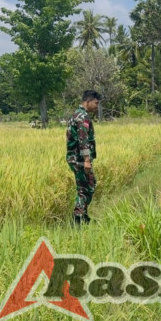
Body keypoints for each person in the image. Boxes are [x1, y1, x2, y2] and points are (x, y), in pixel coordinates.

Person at [66, 90, 102, 224]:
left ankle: (83, 215)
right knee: (87, 187)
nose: (96, 106)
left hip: (74, 158)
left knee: (87, 185)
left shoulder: (76, 114)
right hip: (79, 160)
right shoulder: (83, 117)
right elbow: (83, 139)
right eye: (95, 103)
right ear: (88, 101)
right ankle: (78, 218)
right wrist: (87, 160)